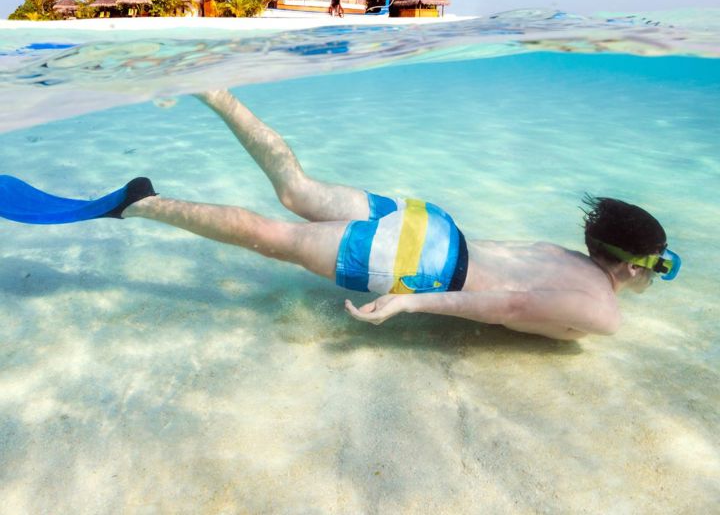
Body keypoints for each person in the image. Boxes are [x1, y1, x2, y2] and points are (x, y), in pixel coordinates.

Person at [0, 91, 681, 341]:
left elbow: (511, 275)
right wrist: (409, 307)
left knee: (294, 187)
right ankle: (140, 203)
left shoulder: (566, 255)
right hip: (421, 265)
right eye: (659, 268)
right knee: (273, 235)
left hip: (433, 224)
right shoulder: (603, 311)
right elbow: (501, 305)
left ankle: (212, 90)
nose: (655, 277)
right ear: (627, 264)